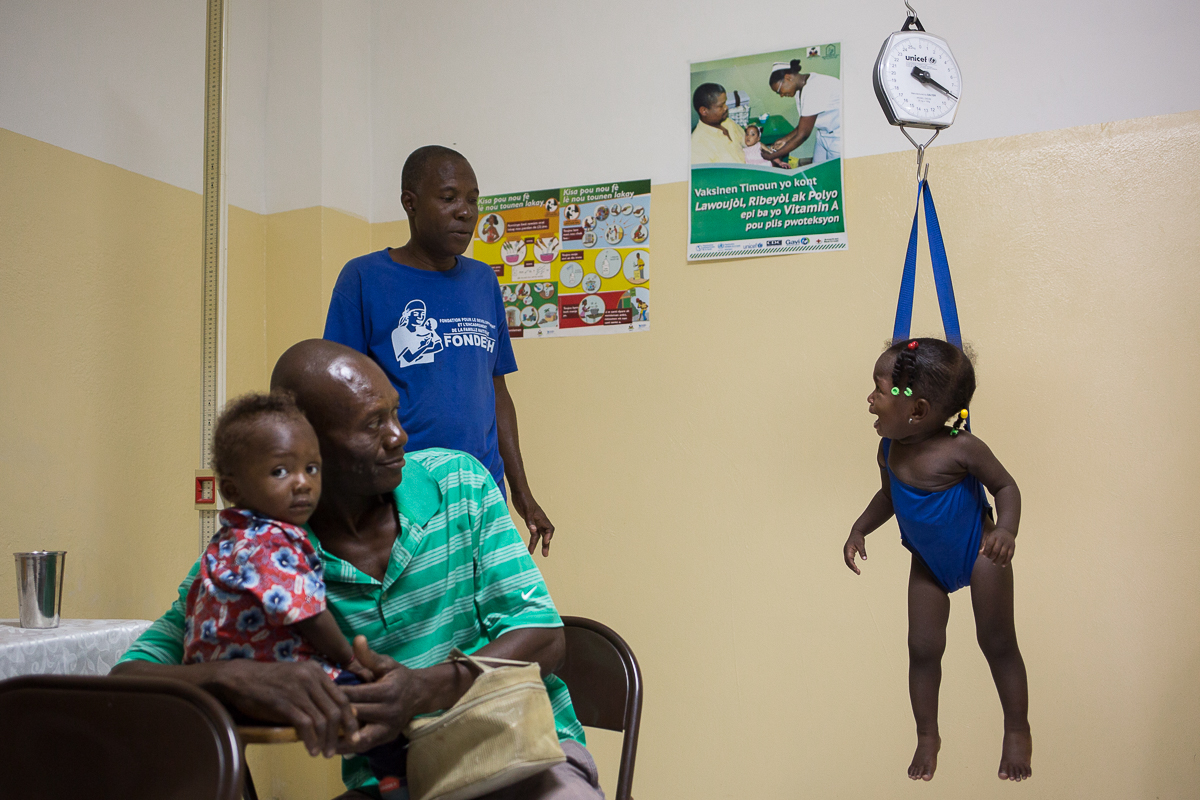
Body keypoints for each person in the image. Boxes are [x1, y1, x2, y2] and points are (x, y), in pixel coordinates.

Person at [114, 340, 602, 800]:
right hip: (395, 783)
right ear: (310, 447)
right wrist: (232, 676)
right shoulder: (255, 555)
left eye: (393, 412)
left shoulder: (459, 483)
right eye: (373, 424)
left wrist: (420, 689)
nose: (399, 435)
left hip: (523, 758)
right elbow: (128, 679)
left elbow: (543, 638)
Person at [324, 146, 555, 557]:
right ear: (409, 203)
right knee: (419, 616)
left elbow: (496, 392)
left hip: (484, 495)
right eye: (449, 198)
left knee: (485, 616)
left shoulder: (483, 282)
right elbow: (339, 401)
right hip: (404, 495)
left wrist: (523, 496)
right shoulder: (364, 278)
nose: (465, 211)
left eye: (472, 199)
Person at [189, 390, 409, 796]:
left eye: (312, 469)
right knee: (382, 713)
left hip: (212, 682)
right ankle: (396, 786)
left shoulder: (230, 538)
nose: (303, 484)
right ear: (233, 489)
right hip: (267, 673)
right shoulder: (272, 541)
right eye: (280, 472)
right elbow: (308, 614)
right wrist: (350, 660)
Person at [843, 338, 1032, 783]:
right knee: (923, 649)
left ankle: (1017, 728)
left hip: (981, 553)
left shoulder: (962, 448)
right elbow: (889, 497)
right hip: (927, 562)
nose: (870, 399)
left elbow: (1006, 488)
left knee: (997, 643)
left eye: (879, 389)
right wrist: (859, 528)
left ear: (918, 410)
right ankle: (927, 734)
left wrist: (1005, 531)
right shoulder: (889, 450)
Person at [760, 59, 841, 165]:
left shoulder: (815, 87)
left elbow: (803, 134)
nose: (781, 95)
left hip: (839, 137)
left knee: (834, 176)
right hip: (823, 134)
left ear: (788, 78)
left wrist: (774, 155)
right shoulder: (800, 90)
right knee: (817, 170)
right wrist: (785, 139)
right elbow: (803, 125)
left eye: (779, 91)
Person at [689, 82, 747, 165]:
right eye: (721, 106)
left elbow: (748, 142)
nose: (726, 107)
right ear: (704, 111)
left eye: (725, 103)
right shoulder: (697, 146)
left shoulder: (727, 122)